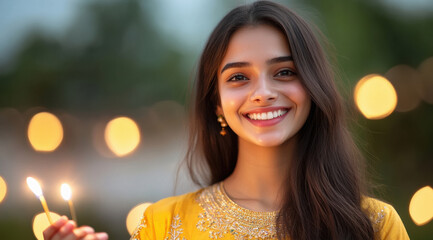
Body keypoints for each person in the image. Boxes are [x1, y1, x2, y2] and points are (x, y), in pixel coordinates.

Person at [44, 1, 410, 239]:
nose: (263, 92)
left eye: (284, 72)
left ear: (313, 89)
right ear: (217, 103)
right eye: (238, 77)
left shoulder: (374, 226)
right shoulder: (163, 224)